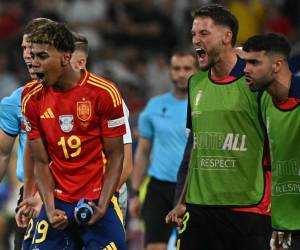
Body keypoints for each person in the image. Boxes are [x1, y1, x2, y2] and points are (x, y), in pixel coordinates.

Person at [165, 4, 272, 250]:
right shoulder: (196, 83)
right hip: (199, 210)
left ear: (227, 37)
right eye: (193, 34)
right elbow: (195, 147)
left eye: (203, 33)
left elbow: (279, 142)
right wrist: (181, 201)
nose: (195, 40)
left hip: (249, 210)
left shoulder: (257, 80)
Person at [21, 21, 126, 249]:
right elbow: (40, 161)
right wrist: (49, 208)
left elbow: (116, 155)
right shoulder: (31, 99)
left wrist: (103, 203)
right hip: (58, 201)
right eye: (32, 55)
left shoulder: (104, 93)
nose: (34, 63)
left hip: (98, 199)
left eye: (42, 56)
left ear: (66, 57)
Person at [129, 50, 198, 250]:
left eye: (187, 68)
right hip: (159, 187)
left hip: (191, 189)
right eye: (177, 68)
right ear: (170, 72)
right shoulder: (154, 106)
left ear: (196, 70)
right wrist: (134, 193)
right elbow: (142, 152)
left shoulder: (202, 105)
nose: (182, 74)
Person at [243, 32, 300, 250]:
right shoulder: (265, 101)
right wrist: (278, 220)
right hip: (285, 225)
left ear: (277, 65)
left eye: (254, 62)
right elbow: (271, 164)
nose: (246, 69)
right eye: (246, 62)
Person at [0, 17, 53, 250]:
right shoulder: (16, 102)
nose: (27, 55)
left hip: (76, 193)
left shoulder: (88, 97)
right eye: (24, 48)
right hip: (30, 195)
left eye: (33, 48)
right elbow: (2, 154)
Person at [71, 32, 133, 222]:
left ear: (80, 62)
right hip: (68, 197)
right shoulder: (49, 99)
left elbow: (126, 164)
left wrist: (101, 199)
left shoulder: (107, 97)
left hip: (107, 198)